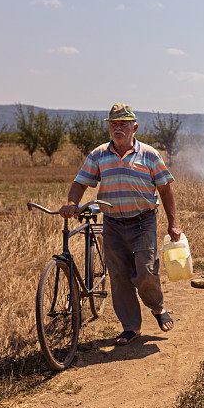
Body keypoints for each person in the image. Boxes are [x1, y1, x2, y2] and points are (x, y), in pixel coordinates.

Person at [59, 103, 180, 345]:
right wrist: (72, 201)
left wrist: (172, 223)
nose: (118, 127)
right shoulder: (98, 154)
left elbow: (166, 191)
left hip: (144, 221)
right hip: (113, 223)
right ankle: (131, 327)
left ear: (134, 127)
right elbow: (81, 183)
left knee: (145, 271)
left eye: (123, 123)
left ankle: (157, 308)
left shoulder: (149, 154)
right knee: (119, 276)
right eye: (113, 123)